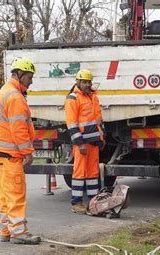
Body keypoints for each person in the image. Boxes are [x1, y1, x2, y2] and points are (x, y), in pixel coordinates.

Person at [0, 57, 40, 245]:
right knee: (16, 194)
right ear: (19, 75)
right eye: (29, 77)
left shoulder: (5, 92)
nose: (31, 81)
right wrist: (27, 152)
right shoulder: (15, 97)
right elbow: (18, 129)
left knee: (4, 195)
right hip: (11, 155)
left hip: (0, 153)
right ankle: (19, 233)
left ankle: (6, 230)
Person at [65, 69, 105, 214]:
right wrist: (79, 143)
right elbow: (72, 123)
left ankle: (93, 202)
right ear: (78, 82)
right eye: (84, 82)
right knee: (79, 173)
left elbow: (98, 120)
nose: (87, 84)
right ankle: (76, 203)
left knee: (93, 173)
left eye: (89, 82)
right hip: (82, 143)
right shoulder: (73, 98)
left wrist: (101, 138)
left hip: (93, 142)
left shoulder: (93, 96)